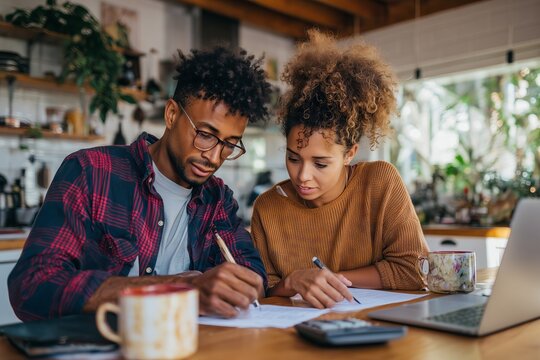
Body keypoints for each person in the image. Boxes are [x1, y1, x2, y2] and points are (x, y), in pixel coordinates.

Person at [9, 46, 271, 321]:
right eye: (206, 135)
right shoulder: (91, 172)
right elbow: (32, 287)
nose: (214, 157)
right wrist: (177, 289)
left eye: (229, 144)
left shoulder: (217, 199)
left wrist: (243, 285)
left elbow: (252, 277)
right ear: (171, 115)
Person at [251, 30, 428, 309]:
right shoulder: (268, 207)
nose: (302, 175)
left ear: (350, 153)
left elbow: (413, 271)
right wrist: (294, 281)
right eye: (293, 158)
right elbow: (262, 289)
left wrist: (331, 280)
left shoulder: (379, 182)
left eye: (320, 163)